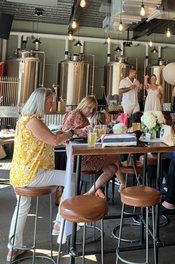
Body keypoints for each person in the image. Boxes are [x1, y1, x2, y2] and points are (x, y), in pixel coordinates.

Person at [8, 88, 74, 262]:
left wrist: (58, 135)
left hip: (19, 174)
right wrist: (71, 133)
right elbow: (53, 141)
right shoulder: (34, 121)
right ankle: (61, 223)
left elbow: (48, 137)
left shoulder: (25, 120)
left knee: (22, 207)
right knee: (72, 177)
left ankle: (13, 247)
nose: (51, 105)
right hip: (33, 174)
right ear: (40, 102)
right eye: (50, 101)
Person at [61, 96, 125, 197]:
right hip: (80, 157)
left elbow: (85, 133)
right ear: (83, 104)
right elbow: (65, 132)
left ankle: (89, 193)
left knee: (112, 168)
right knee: (116, 156)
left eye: (93, 109)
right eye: (89, 107)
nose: (91, 111)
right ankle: (123, 184)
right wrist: (87, 130)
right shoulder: (75, 114)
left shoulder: (82, 117)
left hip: (84, 153)